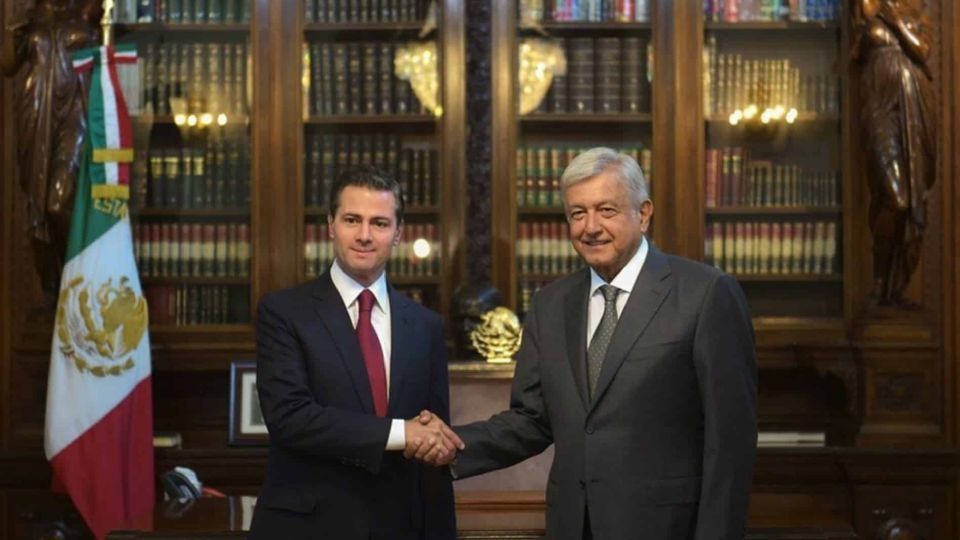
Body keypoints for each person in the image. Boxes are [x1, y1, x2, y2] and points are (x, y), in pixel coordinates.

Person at [422, 148, 757, 539]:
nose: (590, 226)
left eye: (606, 210)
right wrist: (449, 445)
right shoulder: (550, 304)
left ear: (644, 213)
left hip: (666, 528)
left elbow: (730, 443)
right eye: (577, 213)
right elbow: (532, 420)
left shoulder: (705, 294)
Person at [250, 166, 462, 540]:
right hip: (310, 528)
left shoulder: (426, 325)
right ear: (330, 224)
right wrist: (402, 433)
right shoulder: (283, 313)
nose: (364, 236)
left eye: (379, 223)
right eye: (352, 220)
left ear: (398, 233)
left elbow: (431, 439)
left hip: (401, 527)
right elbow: (291, 419)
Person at [1, 0, 102, 296]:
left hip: (75, 112)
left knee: (58, 202)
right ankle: (54, 290)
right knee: (38, 210)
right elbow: (7, 64)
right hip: (36, 116)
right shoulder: (32, 15)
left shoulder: (89, 8)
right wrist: (15, 28)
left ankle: (79, 283)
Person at [854, 0, 937, 307]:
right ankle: (878, 279)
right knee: (895, 197)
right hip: (878, 105)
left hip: (913, 101)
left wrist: (897, 23)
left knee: (910, 197)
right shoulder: (868, 7)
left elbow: (923, 51)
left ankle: (894, 287)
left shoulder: (918, 12)